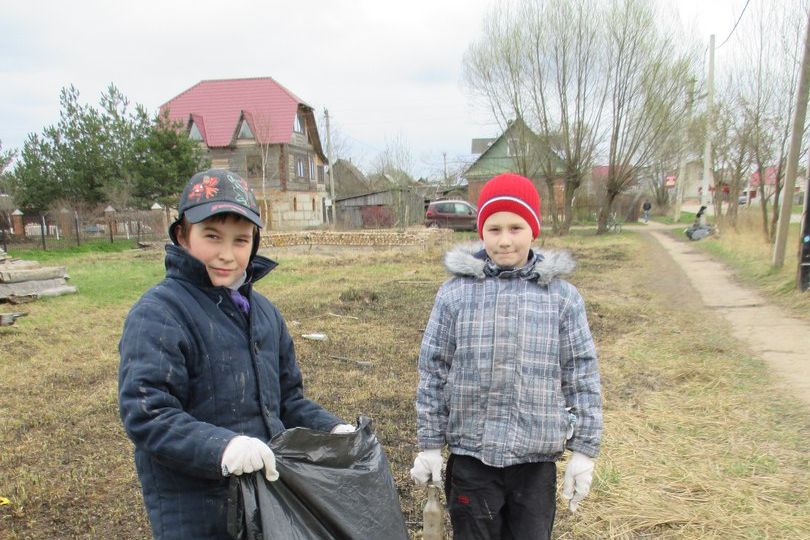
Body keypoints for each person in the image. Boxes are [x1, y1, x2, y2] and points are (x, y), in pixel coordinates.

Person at [118, 169, 354, 539]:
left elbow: (288, 401)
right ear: (182, 235)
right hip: (197, 513)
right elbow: (148, 414)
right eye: (212, 237)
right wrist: (221, 447)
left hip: (265, 501)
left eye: (240, 240)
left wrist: (332, 430)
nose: (226, 254)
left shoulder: (264, 315)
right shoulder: (160, 313)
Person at [410, 173, 603, 540]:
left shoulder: (562, 298)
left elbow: (581, 372)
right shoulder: (454, 295)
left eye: (516, 227)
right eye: (494, 228)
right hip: (471, 460)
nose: (504, 240)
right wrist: (431, 444)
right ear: (481, 231)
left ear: (534, 229)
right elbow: (433, 370)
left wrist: (584, 451)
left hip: (534, 464)